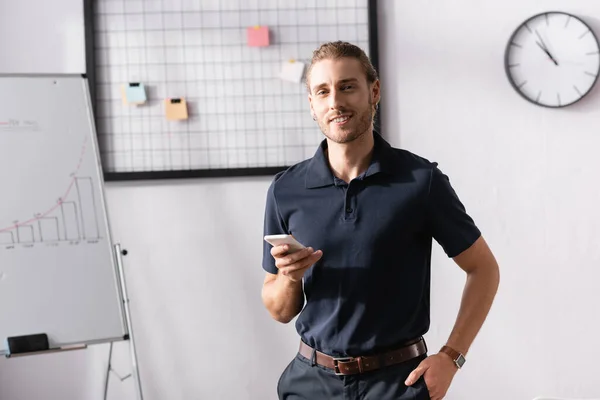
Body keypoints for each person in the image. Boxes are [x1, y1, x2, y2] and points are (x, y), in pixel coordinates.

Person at [261, 41, 500, 400]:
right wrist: (291, 277)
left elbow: (484, 269)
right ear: (311, 104)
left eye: (347, 87)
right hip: (310, 383)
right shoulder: (286, 189)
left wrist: (451, 358)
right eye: (322, 92)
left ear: (374, 91)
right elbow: (279, 309)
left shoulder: (420, 181)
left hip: (397, 385)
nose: (335, 102)